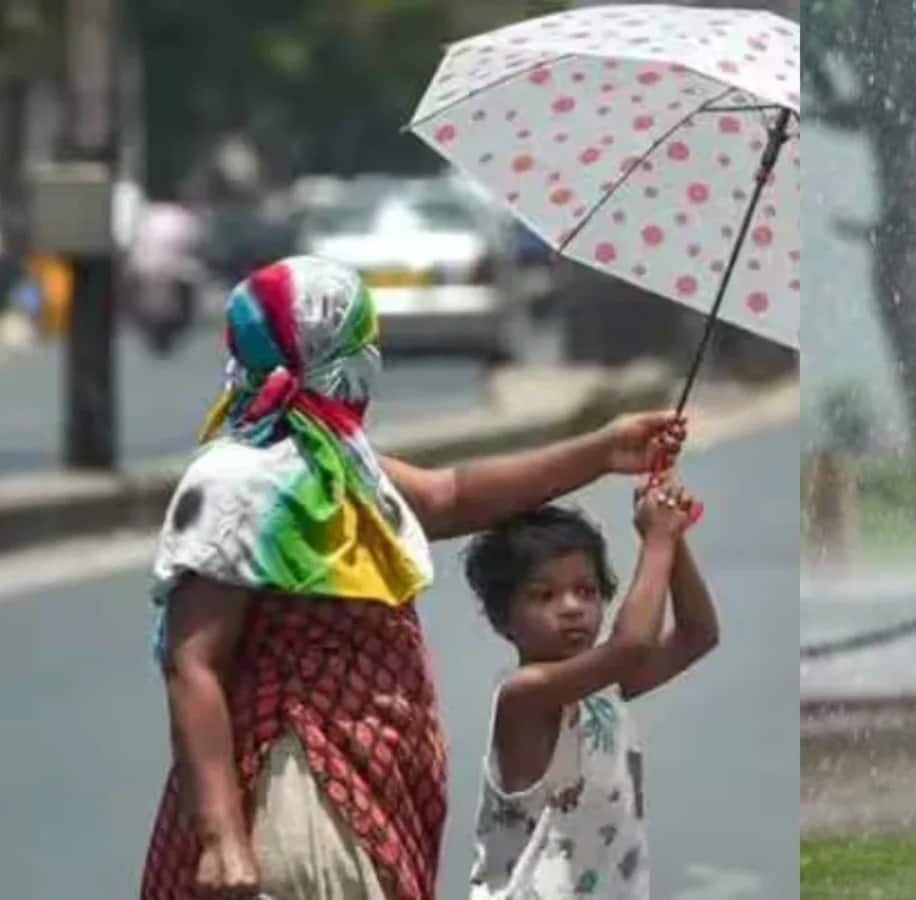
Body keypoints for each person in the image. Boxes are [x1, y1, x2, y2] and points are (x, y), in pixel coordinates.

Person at [139, 255, 687, 900]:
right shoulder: (237, 480)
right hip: (297, 783)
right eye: (358, 341)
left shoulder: (343, 463)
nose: (369, 359)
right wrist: (222, 837)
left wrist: (602, 451)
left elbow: (450, 496)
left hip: (369, 784)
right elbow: (192, 663)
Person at [461, 475, 717, 899]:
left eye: (586, 591)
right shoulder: (523, 696)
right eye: (544, 596)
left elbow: (698, 634)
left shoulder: (601, 689)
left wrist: (673, 534)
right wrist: (657, 539)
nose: (572, 608)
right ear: (502, 618)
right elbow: (632, 645)